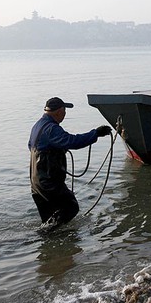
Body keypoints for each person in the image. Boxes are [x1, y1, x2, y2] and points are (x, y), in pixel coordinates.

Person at [28, 97, 112, 228]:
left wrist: (57, 149)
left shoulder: (38, 125)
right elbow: (72, 141)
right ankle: (47, 235)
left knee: (49, 217)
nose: (65, 114)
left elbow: (32, 146)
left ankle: (49, 243)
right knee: (71, 207)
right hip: (49, 182)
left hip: (36, 182)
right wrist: (96, 133)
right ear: (59, 112)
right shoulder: (51, 128)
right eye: (65, 110)